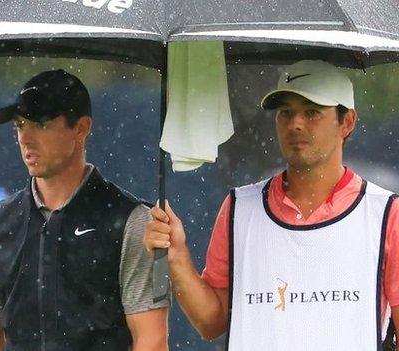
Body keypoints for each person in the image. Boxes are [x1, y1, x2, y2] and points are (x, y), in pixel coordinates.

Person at [144, 60, 399, 350]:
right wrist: (176, 257)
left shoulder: (386, 214)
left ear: (347, 122)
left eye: (311, 112)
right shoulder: (239, 208)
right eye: (285, 113)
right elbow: (211, 322)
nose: (295, 124)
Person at [0, 69, 168, 350]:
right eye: (20, 125)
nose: (25, 138)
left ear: (81, 128)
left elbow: (151, 339)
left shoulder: (133, 221)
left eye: (41, 124)